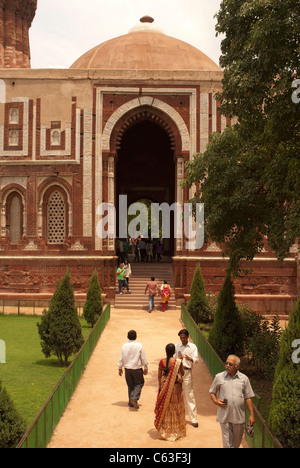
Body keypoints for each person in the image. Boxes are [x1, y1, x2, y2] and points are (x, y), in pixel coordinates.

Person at [209, 354, 256, 448]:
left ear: (237, 366)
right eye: (226, 363)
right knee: (227, 445)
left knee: (236, 444)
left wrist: (251, 415)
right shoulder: (219, 377)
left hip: (238, 418)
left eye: (230, 364)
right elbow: (212, 392)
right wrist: (215, 401)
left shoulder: (244, 379)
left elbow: (248, 398)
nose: (227, 365)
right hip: (224, 416)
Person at [154, 343, 186, 441]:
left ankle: (164, 429)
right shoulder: (177, 362)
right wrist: (182, 361)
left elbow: (159, 375)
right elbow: (183, 373)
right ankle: (175, 429)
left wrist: (161, 386)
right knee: (175, 407)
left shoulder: (161, 362)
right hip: (175, 387)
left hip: (165, 386)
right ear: (174, 352)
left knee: (166, 407)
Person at [118, 330, 148, 409]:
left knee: (130, 385)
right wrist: (145, 366)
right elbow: (143, 357)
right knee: (139, 383)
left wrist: (120, 368)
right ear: (136, 337)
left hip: (127, 369)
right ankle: (134, 398)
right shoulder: (139, 345)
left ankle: (130, 402)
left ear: (127, 337)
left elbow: (121, 357)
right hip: (137, 368)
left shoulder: (124, 346)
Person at [175, 329, 199, 428]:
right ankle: (177, 417)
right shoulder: (177, 346)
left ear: (187, 337)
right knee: (177, 394)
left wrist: (190, 359)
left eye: (184, 338)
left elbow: (197, 360)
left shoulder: (193, 347)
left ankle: (193, 419)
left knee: (189, 394)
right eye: (181, 338)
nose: (183, 339)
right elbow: (174, 357)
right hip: (177, 372)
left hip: (187, 371)